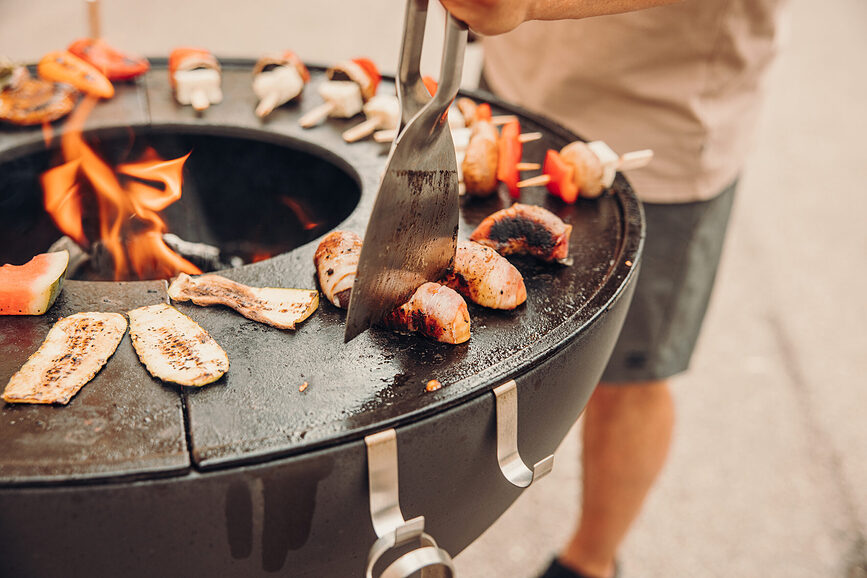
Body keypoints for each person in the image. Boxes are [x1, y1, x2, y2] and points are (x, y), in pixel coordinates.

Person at [439, 1, 788, 577]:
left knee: (626, 379)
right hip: (519, 78)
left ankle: (590, 564)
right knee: (484, 336)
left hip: (660, 118)